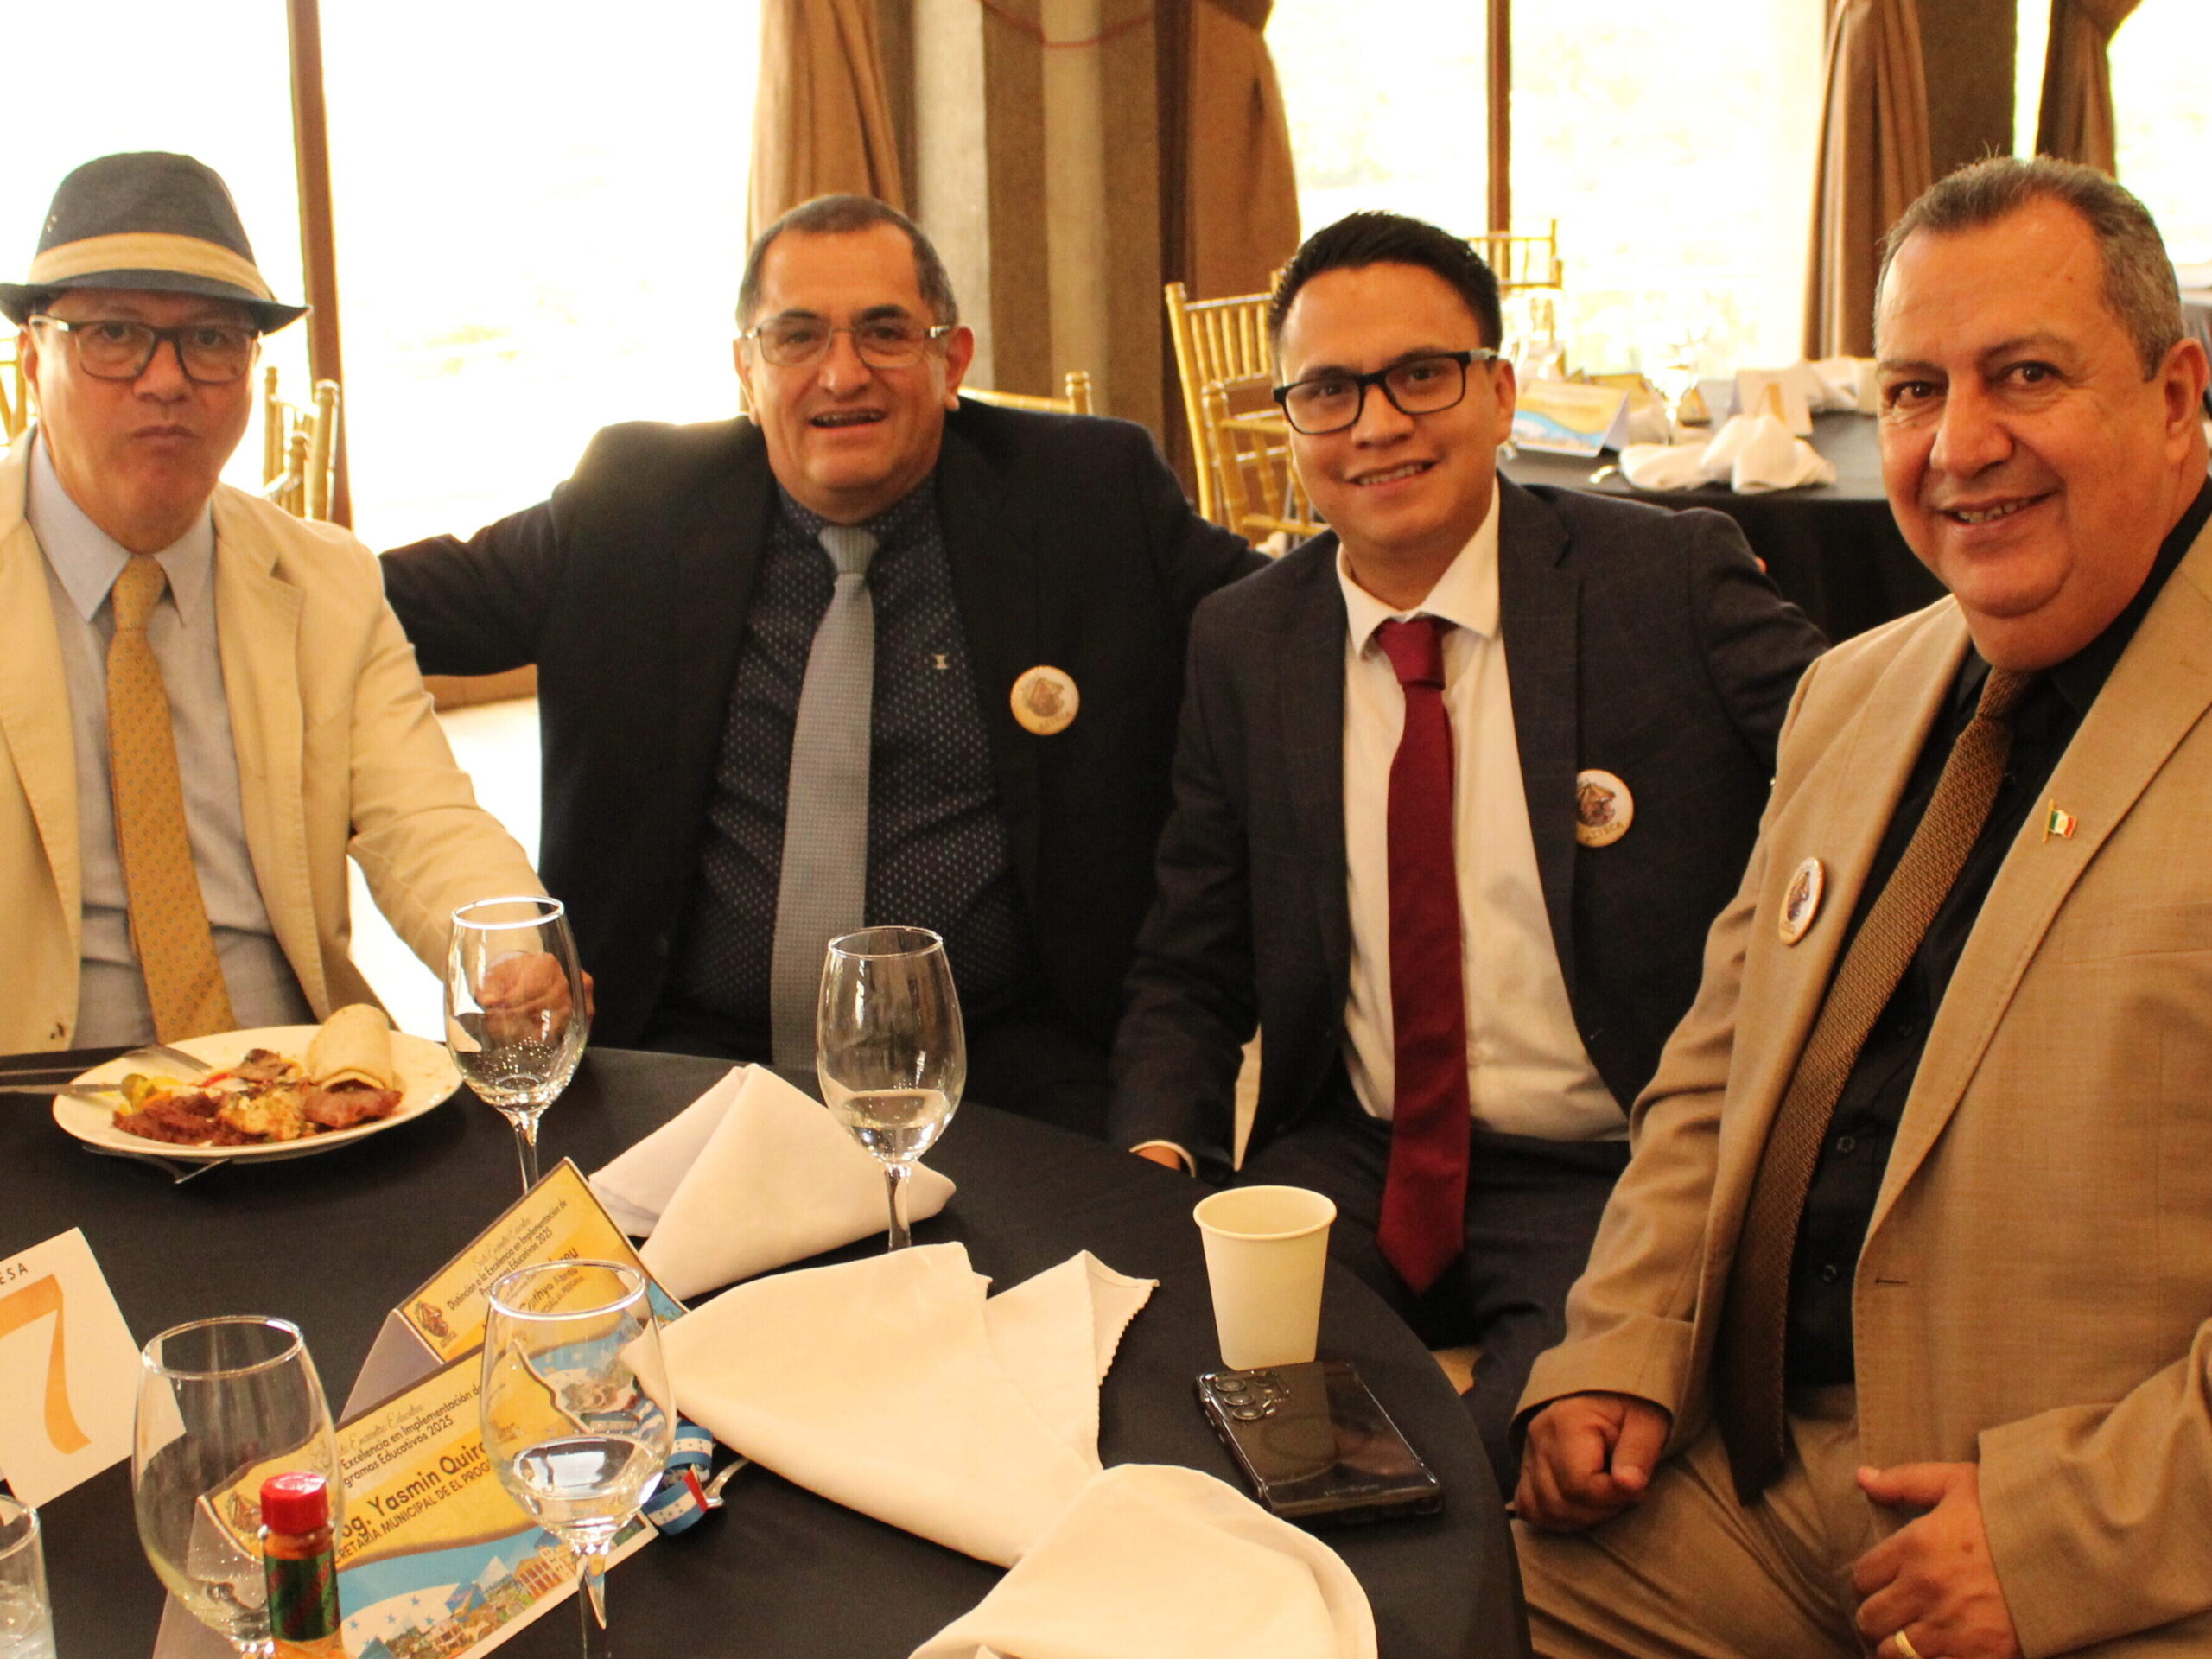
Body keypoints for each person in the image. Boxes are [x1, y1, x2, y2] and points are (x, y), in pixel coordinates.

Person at [1514, 157, 2212, 1659]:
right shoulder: (1852, 694)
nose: (1960, 446)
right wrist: (1624, 1340)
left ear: (2175, 399)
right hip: (1766, 1483)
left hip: (2118, 1544)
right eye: (1913, 391)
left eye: (2026, 375)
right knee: (1404, 1600)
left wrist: (2063, 1535)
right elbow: (1715, 1072)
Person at [1108, 212, 1825, 1481]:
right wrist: (1159, 1154)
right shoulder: (1246, 641)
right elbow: (1191, 960)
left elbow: (1872, 762)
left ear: (1499, 392)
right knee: (1179, 1390)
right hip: (1358, 1151)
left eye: (1420, 376)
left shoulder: (1665, 579)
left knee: (1521, 1458)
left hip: (1608, 1168)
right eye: (1329, 392)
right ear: (1291, 424)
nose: (1377, 425)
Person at [379, 195, 1258, 1135]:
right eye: (796, 337)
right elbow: (370, 604)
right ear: (746, 371)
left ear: (951, 362)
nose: (843, 374)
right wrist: (255, 552)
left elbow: (1286, 622)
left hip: (1006, 1062)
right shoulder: (633, 504)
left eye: (885, 332)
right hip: (681, 1057)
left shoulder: (1088, 495)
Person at [0, 153, 547, 1054]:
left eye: (212, 339)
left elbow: (425, 821)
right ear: (32, 357)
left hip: (295, 1087)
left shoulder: (326, 582)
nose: (166, 379)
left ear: (252, 368)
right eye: (114, 333)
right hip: (30, 1095)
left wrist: (512, 952)